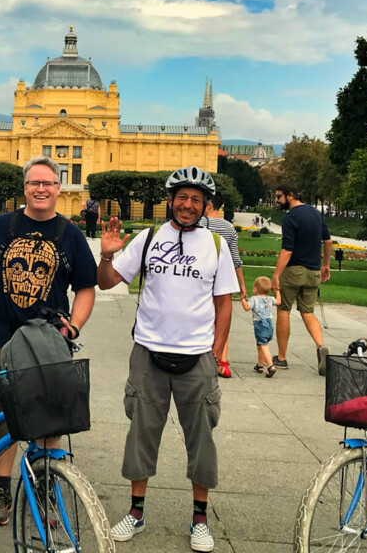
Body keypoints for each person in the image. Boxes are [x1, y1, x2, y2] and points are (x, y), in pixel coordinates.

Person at [0, 156, 97, 525]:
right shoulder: (4, 226)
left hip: (49, 340)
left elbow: (86, 288)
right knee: (0, 416)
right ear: (25, 188)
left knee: (51, 418)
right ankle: (2, 489)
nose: (41, 188)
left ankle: (45, 488)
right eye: (34, 183)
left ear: (58, 188)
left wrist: (73, 327)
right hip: (4, 338)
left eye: (48, 183)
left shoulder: (70, 235)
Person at [95, 167, 236, 551]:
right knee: (141, 435)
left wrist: (217, 352)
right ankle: (136, 512)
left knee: (202, 439)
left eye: (196, 199)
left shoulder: (216, 245)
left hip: (197, 357)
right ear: (170, 200)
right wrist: (107, 256)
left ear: (205, 205)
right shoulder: (149, 238)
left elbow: (224, 303)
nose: (187, 205)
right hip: (149, 352)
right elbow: (107, 282)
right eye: (182, 197)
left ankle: (200, 519)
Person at [272, 184, 331, 375]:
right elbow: (328, 241)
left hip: (293, 271)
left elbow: (287, 250)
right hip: (313, 272)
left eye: (279, 197)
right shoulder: (315, 213)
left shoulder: (290, 217)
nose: (277, 200)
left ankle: (281, 358)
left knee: (284, 309)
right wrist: (326, 264)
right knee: (308, 312)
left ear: (290, 196)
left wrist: (276, 275)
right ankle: (320, 346)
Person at [200, 197, 246, 378]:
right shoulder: (229, 228)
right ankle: (222, 361)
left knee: (205, 317)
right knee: (222, 319)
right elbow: (235, 259)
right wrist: (241, 283)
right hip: (224, 278)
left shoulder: (200, 224)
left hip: (203, 277)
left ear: (209, 205)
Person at [244, 276, 278, 377]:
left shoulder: (254, 299)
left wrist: (242, 299)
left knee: (263, 346)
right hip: (269, 325)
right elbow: (279, 301)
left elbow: (247, 308)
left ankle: (270, 366)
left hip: (260, 324)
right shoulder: (270, 299)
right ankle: (260, 365)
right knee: (260, 345)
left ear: (255, 289)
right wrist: (277, 291)